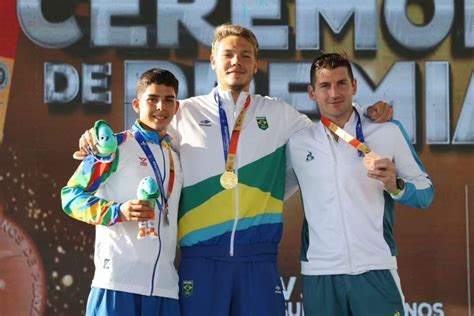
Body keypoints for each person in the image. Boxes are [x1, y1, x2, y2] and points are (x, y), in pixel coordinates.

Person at [78, 25, 392, 316]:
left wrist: (365, 112)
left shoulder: (277, 112)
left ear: (256, 65)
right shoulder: (184, 112)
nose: (236, 61)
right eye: (227, 54)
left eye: (246, 55)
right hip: (200, 259)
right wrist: (97, 138)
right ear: (213, 61)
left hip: (258, 259)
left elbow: (329, 126)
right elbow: (142, 137)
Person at [287, 53, 434, 316]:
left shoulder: (387, 131)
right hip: (320, 273)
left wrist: (395, 185)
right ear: (311, 92)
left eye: (342, 83)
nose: (334, 93)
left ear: (354, 86)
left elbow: (425, 192)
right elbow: (271, 191)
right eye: (325, 85)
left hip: (375, 267)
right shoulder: (298, 142)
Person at [61, 68, 182, 316]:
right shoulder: (113, 147)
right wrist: (117, 212)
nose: (161, 106)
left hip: (165, 288)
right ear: (137, 104)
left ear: (176, 106)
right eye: (153, 99)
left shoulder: (176, 156)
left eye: (168, 99)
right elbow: (70, 197)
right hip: (117, 283)